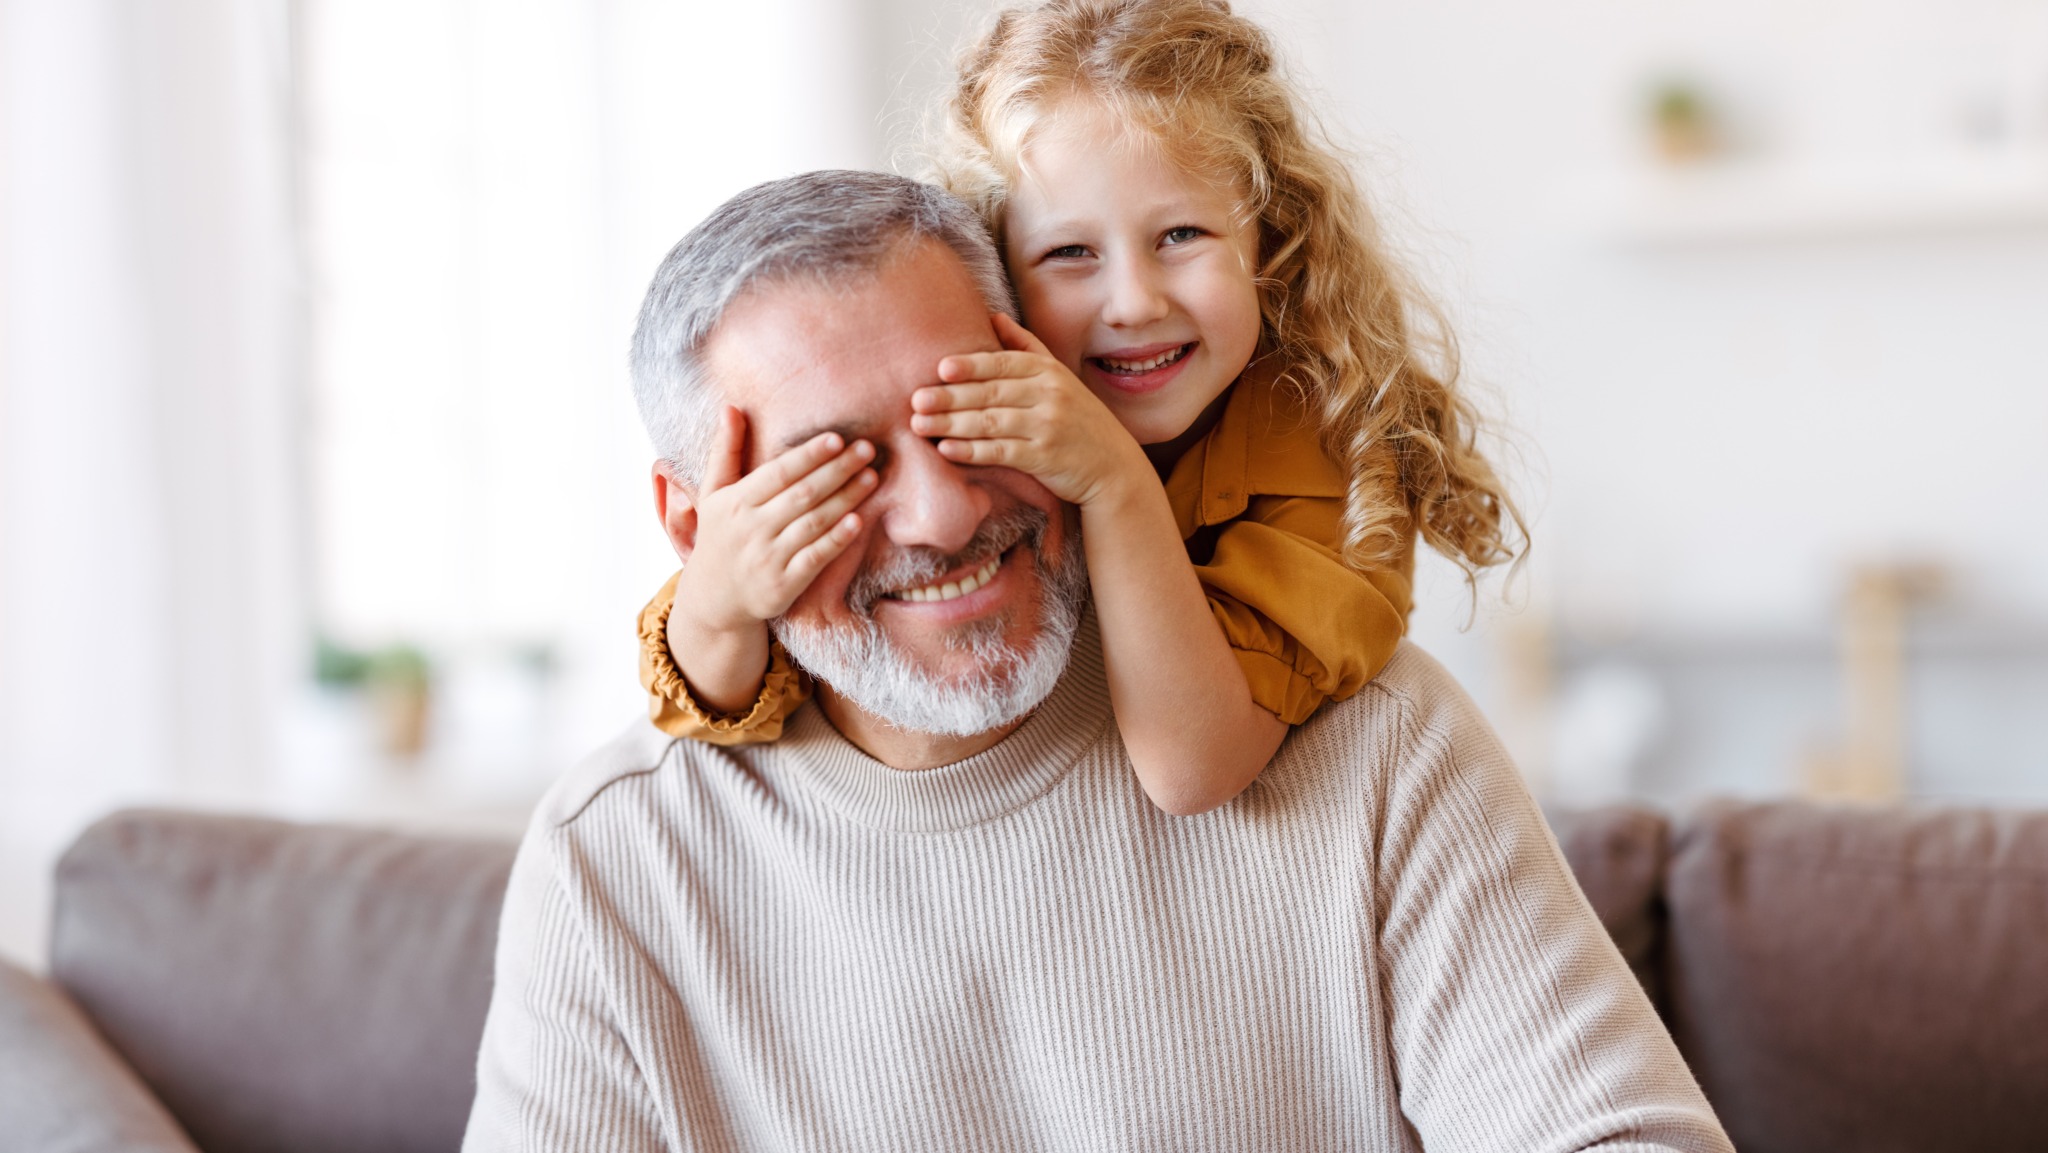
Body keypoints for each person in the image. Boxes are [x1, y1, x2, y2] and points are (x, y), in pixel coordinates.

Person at [463, 169, 1731, 1150]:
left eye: (976, 416)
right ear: (696, 527)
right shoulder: (614, 860)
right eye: (834, 470)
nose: (944, 516)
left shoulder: (1363, 731)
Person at [634, 0, 1522, 816]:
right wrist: (718, 603)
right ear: (1000, 278)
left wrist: (1111, 480)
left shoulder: (1329, 452)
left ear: (1271, 242)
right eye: (1068, 252)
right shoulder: (952, 429)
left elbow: (1192, 767)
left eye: (1181, 236)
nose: (1133, 301)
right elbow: (719, 703)